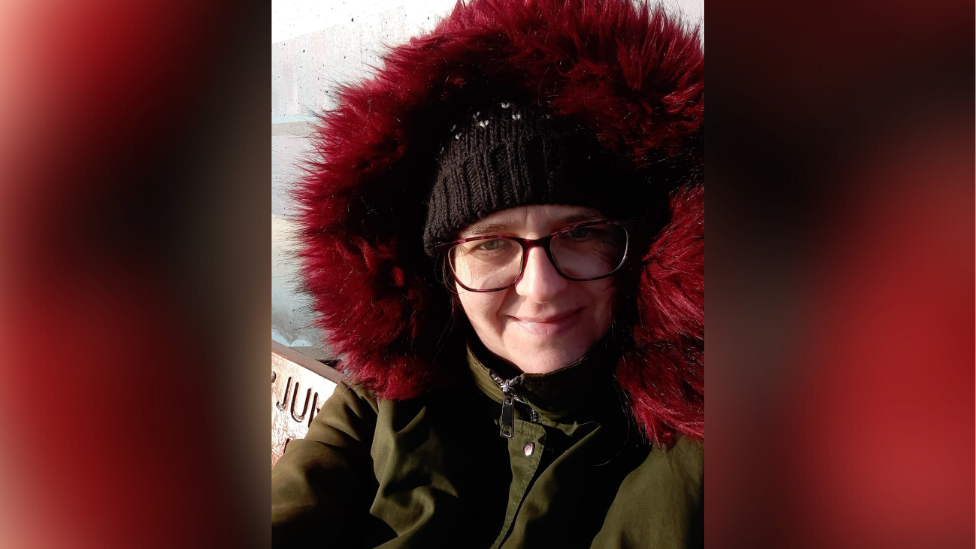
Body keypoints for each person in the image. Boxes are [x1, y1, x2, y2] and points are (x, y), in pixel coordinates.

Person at [272, 0, 704, 547]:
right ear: (444, 269)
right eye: (492, 244)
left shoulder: (699, 435)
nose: (541, 287)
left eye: (580, 234)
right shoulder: (382, 399)